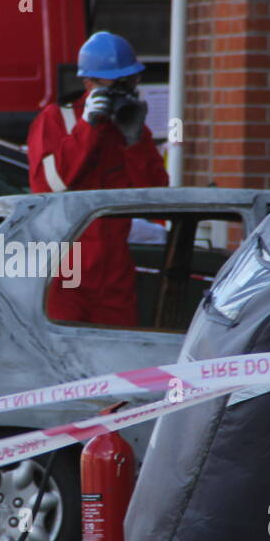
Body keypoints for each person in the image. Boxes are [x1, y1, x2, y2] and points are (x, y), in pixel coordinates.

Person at [26, 31, 168, 325]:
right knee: (66, 359)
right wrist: (88, 126)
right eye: (113, 83)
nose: (123, 90)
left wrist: (135, 142)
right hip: (66, 267)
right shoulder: (56, 119)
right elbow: (49, 185)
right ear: (88, 83)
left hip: (115, 270)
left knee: (118, 358)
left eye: (128, 81)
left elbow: (157, 199)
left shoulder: (132, 129)